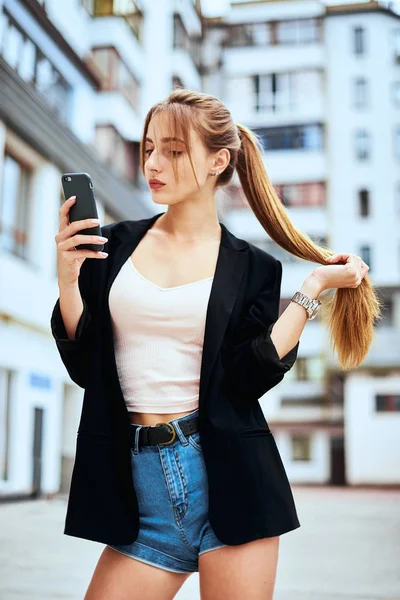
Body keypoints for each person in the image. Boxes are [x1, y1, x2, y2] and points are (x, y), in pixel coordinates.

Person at [52, 89, 380, 600]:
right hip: (137, 497)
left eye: (174, 151)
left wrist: (310, 291)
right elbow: (85, 364)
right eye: (149, 149)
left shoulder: (253, 267)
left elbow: (250, 375)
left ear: (218, 161)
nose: (154, 163)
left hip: (229, 481)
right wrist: (68, 281)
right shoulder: (110, 247)